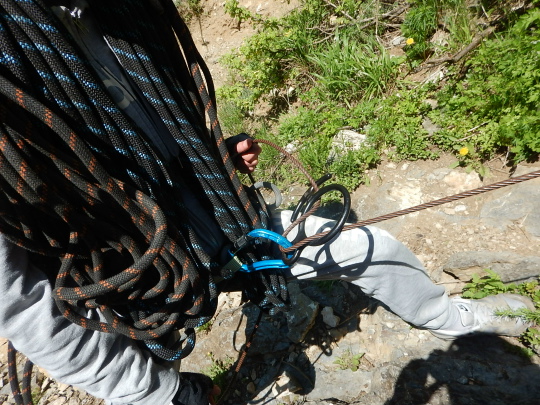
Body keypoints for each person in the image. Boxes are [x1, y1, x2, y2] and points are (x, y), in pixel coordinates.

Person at [0, 1, 535, 405]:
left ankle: (446, 315)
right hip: (129, 286)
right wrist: (157, 393)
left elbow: (145, 126)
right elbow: (22, 305)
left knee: (368, 246)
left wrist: (212, 159)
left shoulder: (116, 13)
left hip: (224, 223)